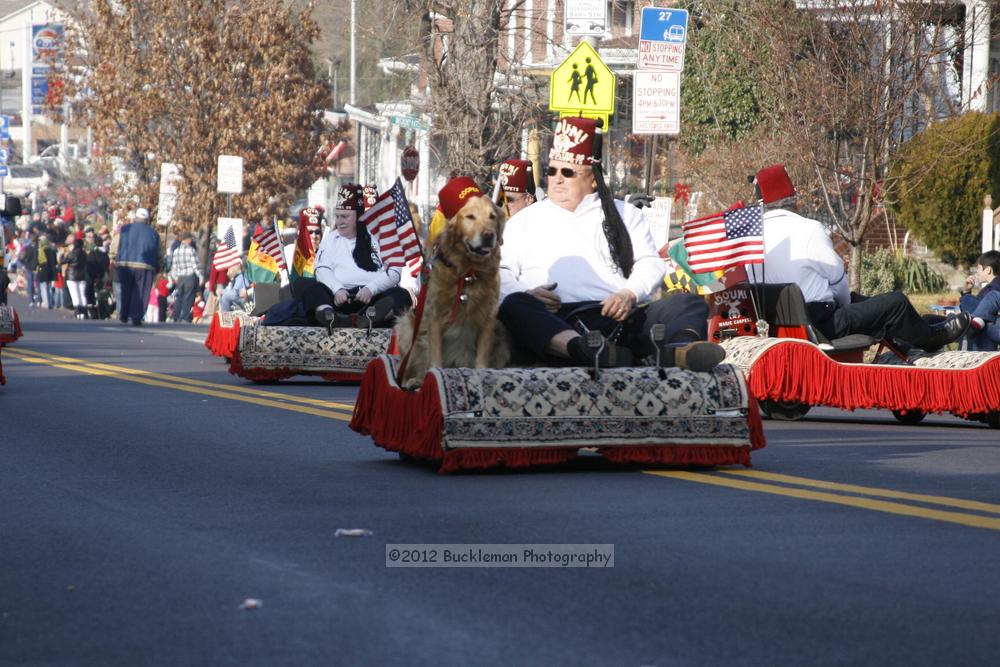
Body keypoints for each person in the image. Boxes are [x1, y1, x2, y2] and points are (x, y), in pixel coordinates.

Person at [498, 117, 725, 371]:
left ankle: (681, 351)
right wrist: (527, 293)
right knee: (514, 305)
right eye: (552, 171)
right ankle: (583, 350)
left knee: (686, 303)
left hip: (618, 316)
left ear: (592, 179)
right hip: (554, 321)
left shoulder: (625, 213)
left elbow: (650, 263)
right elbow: (501, 272)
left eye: (567, 172)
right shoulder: (524, 220)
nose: (556, 179)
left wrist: (628, 294)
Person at [753, 164, 970, 350]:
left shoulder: (752, 238)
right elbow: (837, 279)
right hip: (821, 324)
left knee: (864, 301)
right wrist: (845, 305)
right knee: (896, 302)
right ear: (793, 198)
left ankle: (918, 327)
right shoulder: (808, 228)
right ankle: (931, 339)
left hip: (782, 322)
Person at [274, 184, 411, 328]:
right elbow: (321, 268)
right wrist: (337, 289)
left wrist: (371, 289)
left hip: (373, 299)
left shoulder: (383, 236)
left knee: (401, 295)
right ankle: (329, 316)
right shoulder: (331, 239)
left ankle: (371, 318)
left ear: (359, 216)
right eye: (337, 216)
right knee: (305, 285)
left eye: (345, 217)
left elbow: (395, 272)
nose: (339, 222)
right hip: (338, 299)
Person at [110, 208, 161, 326]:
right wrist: (159, 265)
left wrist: (113, 257)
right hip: (145, 265)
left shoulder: (125, 230)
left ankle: (123, 314)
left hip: (125, 263)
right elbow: (159, 252)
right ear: (147, 219)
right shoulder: (153, 233)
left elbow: (115, 245)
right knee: (142, 291)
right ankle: (136, 316)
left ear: (136, 218)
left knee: (126, 290)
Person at [959, 250, 1000, 351]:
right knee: (929, 319)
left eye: (979, 268)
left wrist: (966, 295)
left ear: (988, 270)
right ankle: (973, 323)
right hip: (984, 325)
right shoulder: (989, 288)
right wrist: (966, 291)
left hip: (995, 328)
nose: (976, 271)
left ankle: (969, 324)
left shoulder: (995, 288)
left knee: (976, 327)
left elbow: (973, 308)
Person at [168, 230, 203, 323]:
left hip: (180, 277)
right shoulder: (191, 250)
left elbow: (174, 266)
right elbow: (195, 265)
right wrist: (200, 276)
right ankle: (185, 316)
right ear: (187, 240)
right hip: (190, 276)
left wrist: (175, 277)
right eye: (190, 239)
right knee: (188, 297)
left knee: (179, 296)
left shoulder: (176, 251)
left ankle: (175, 315)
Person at [60, 237, 88, 318]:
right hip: (82, 275)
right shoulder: (84, 253)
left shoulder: (72, 253)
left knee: (75, 294)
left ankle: (77, 312)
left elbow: (63, 261)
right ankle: (84, 312)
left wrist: (62, 254)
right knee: (82, 294)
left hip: (72, 275)